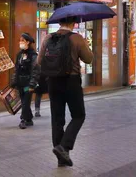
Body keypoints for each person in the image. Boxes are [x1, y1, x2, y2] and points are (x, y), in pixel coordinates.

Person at [37, 16, 93, 167]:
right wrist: (86, 46)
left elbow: (39, 61)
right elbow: (88, 59)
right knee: (79, 115)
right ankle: (64, 147)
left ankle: (61, 158)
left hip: (53, 82)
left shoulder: (48, 38)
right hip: (71, 81)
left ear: (60, 23)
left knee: (57, 119)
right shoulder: (77, 38)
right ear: (73, 23)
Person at [11, 33, 40, 129]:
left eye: (22, 40)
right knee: (23, 100)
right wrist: (14, 82)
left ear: (28, 42)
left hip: (28, 82)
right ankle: (29, 118)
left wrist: (32, 84)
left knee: (25, 101)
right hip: (20, 82)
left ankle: (23, 120)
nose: (20, 42)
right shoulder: (19, 54)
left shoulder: (33, 55)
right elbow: (16, 69)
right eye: (20, 40)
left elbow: (35, 70)